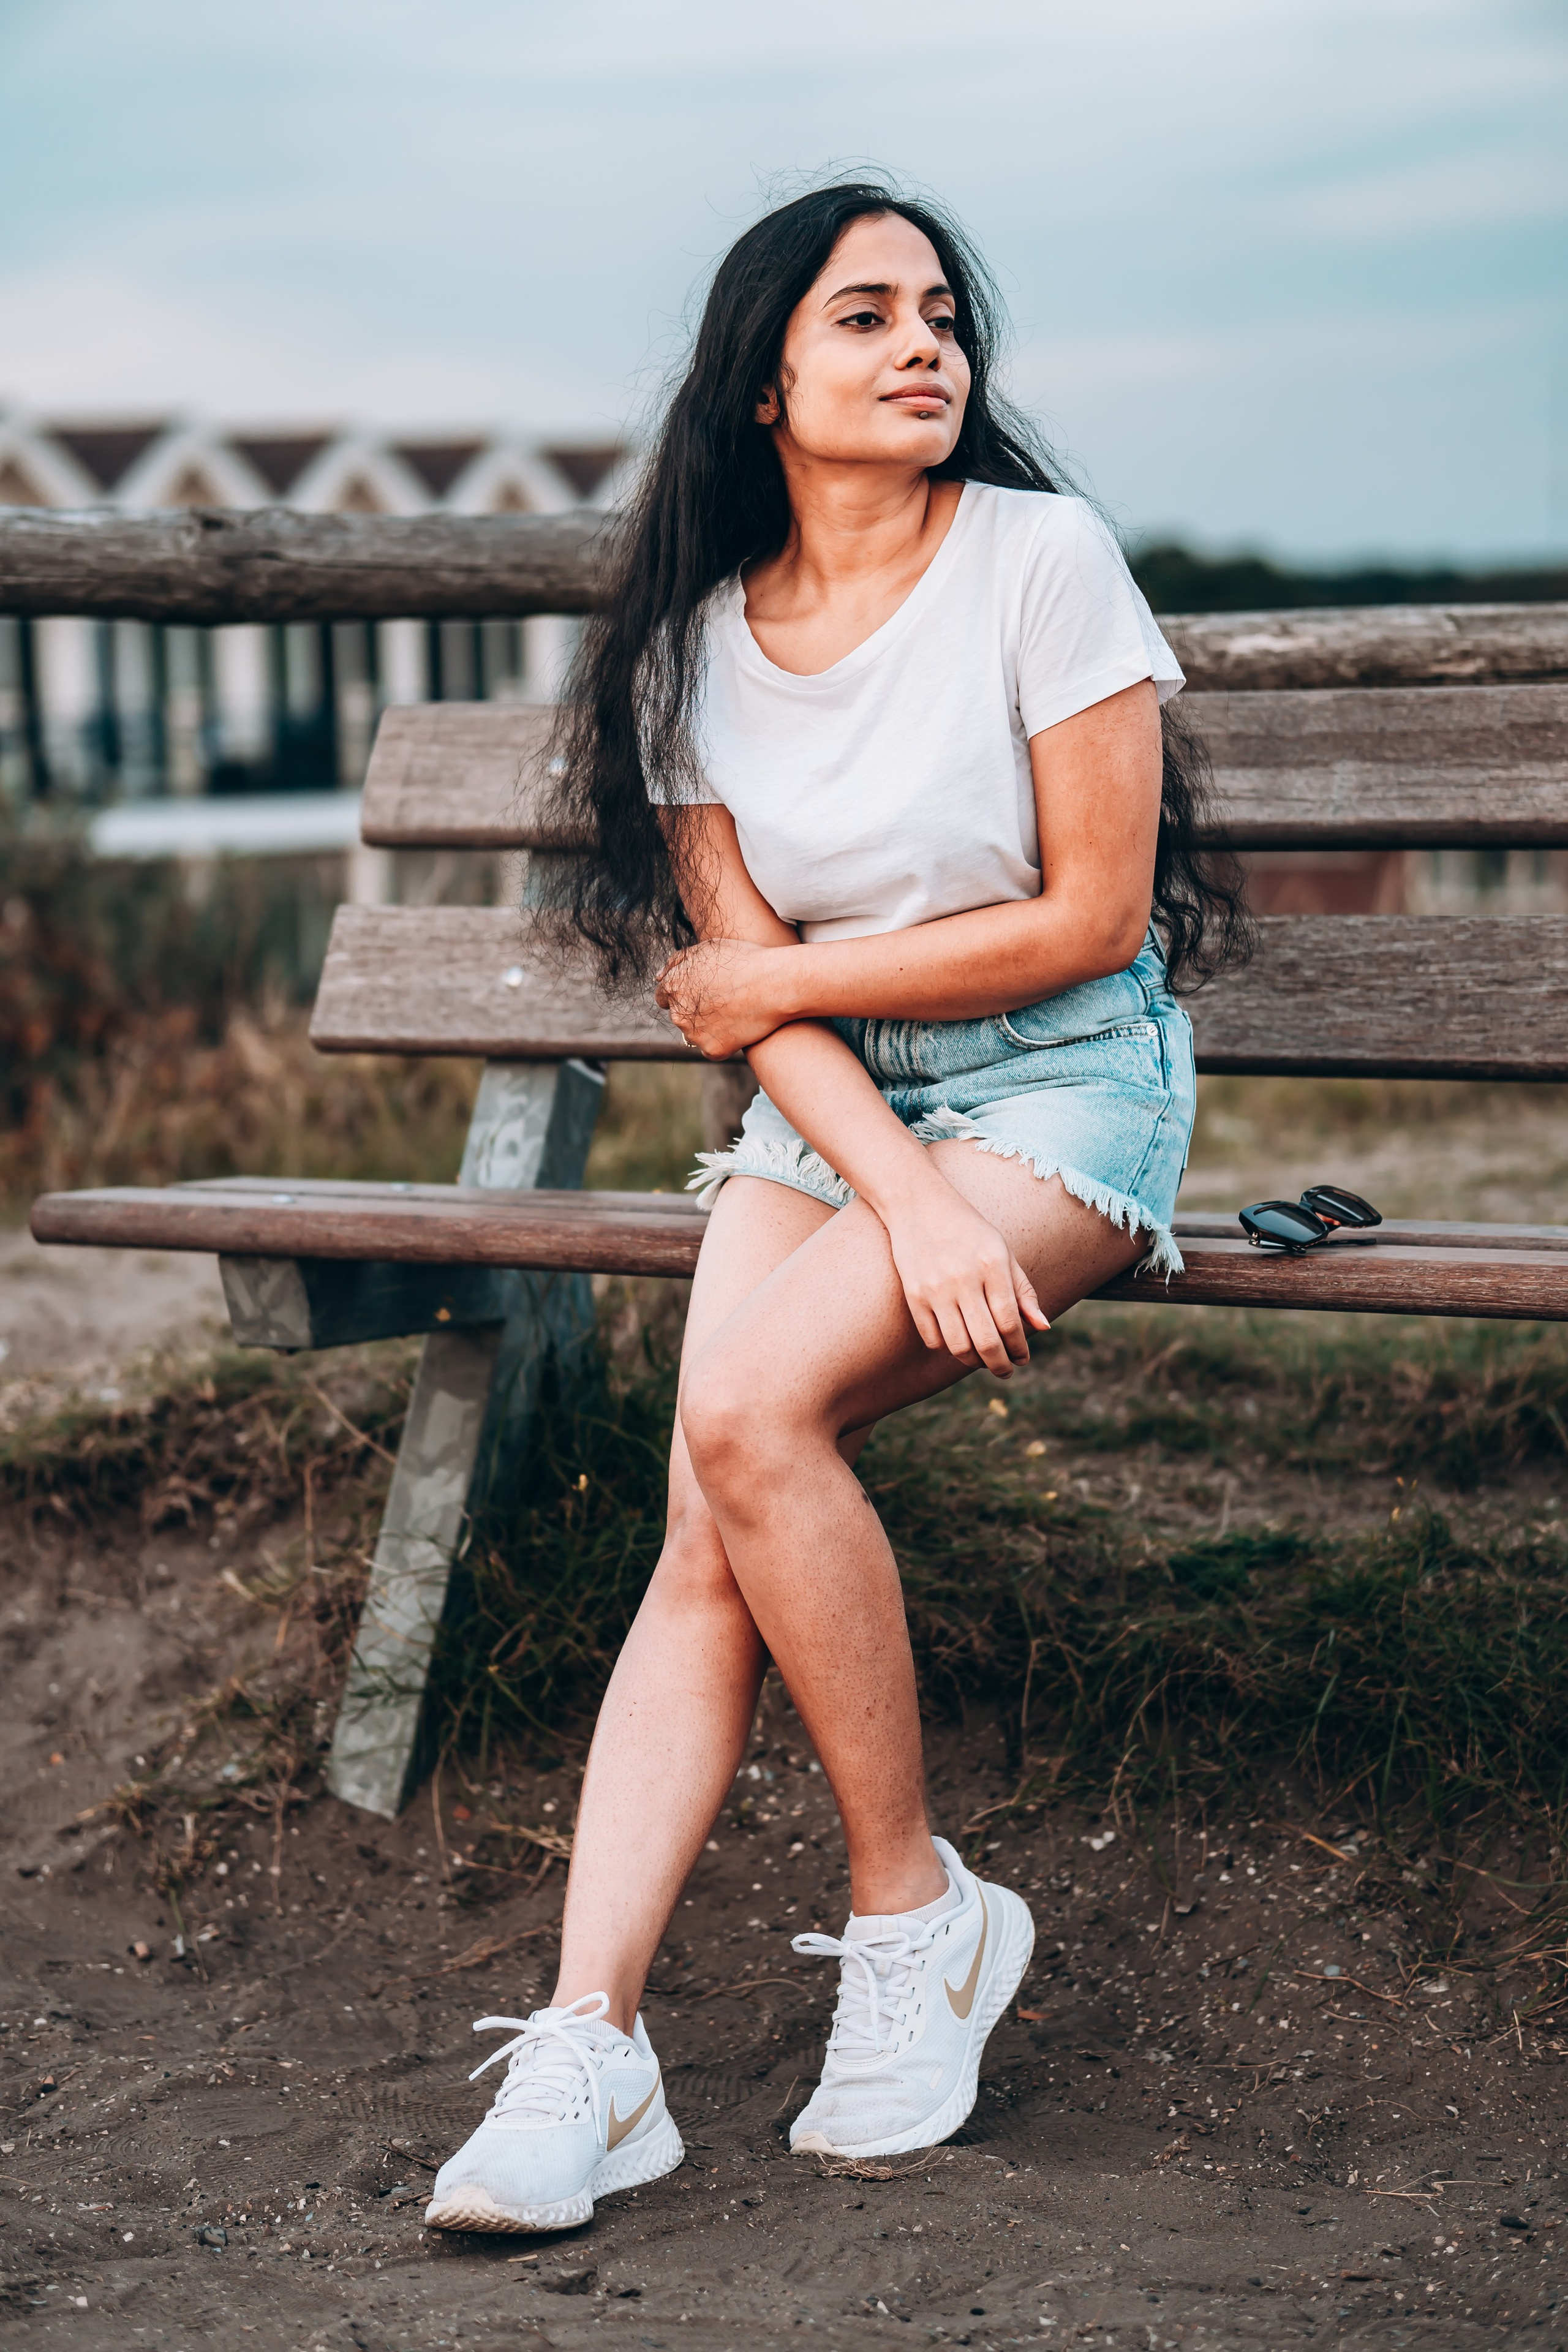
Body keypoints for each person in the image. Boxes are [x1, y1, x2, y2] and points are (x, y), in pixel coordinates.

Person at [426, 180, 1249, 2236]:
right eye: (867, 313)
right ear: (766, 379)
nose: (926, 344)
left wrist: (799, 991)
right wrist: (906, 1197)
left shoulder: (1040, 562)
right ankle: (592, 2045)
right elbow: (739, 999)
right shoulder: (693, 649)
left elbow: (1090, 916)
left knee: (746, 1424)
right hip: (838, 1122)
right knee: (723, 1479)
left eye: (946, 313)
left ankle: (917, 1920)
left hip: (1068, 1079)